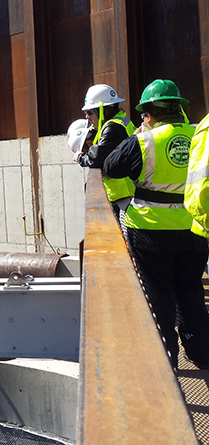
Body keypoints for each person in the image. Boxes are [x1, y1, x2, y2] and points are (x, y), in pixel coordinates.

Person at [103, 79, 209, 369]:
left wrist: (137, 134)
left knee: (159, 295)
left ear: (148, 114)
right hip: (195, 229)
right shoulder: (200, 133)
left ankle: (166, 359)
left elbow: (111, 166)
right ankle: (201, 352)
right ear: (180, 109)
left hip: (150, 232)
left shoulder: (144, 140)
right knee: (190, 289)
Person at [74, 84, 136, 224]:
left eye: (89, 112)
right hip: (126, 193)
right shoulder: (122, 121)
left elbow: (95, 158)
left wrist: (79, 157)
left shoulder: (113, 127)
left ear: (102, 109)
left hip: (124, 195)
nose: (86, 116)